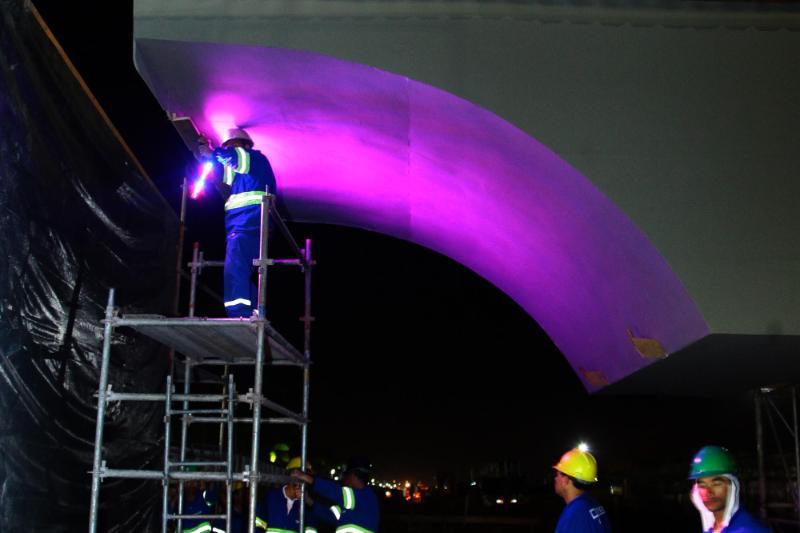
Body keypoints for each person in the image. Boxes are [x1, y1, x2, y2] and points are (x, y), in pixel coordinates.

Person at [197, 128, 277, 318]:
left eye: (231, 145)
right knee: (242, 269)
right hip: (248, 224)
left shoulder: (253, 158)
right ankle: (253, 313)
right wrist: (206, 155)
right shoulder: (246, 174)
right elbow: (222, 171)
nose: (229, 149)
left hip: (247, 223)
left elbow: (232, 157)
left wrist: (213, 151)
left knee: (235, 268)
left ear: (243, 145)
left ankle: (238, 314)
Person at [689, 446, 770, 533]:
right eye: (702, 485)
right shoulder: (712, 528)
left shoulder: (751, 530)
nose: (708, 492)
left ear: (733, 486)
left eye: (716, 484)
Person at [292, 456, 380, 533]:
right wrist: (308, 500)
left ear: (353, 475)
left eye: (345, 475)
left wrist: (306, 477)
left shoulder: (365, 496)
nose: (343, 479)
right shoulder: (352, 505)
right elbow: (329, 516)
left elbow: (334, 491)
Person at [552, 446, 612, 532]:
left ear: (565, 480)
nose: (555, 479)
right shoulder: (594, 504)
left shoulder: (575, 514)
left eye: (557, 474)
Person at [254, 456, 318, 533]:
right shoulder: (270, 498)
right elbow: (257, 527)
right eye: (299, 474)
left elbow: (311, 530)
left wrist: (307, 503)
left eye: (305, 476)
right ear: (290, 475)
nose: (302, 479)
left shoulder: (307, 506)